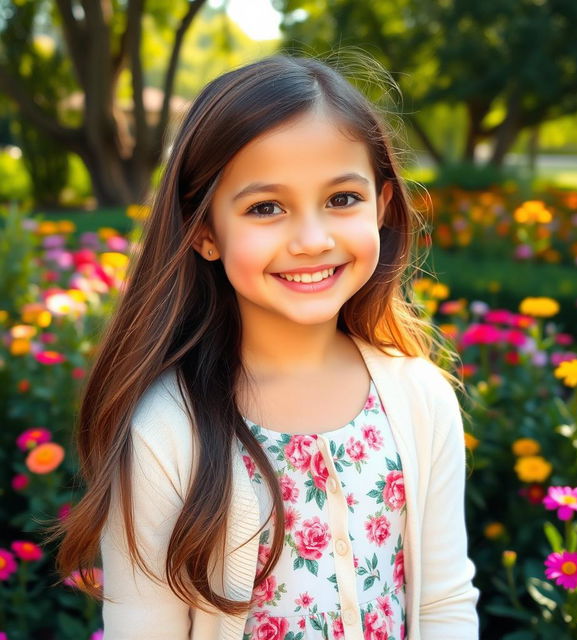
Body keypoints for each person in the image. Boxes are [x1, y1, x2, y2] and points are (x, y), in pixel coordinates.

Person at [54, 54, 479, 639]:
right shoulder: (166, 432)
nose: (311, 239)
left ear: (381, 207)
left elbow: (445, 602)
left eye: (341, 199)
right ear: (204, 232)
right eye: (266, 208)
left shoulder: (420, 397)